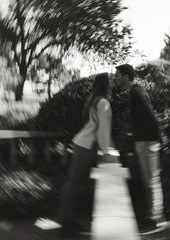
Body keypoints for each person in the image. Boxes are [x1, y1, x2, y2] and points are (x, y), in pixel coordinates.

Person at [114, 64, 168, 235]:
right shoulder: (135, 91)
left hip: (148, 142)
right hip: (144, 141)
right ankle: (153, 217)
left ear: (126, 76)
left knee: (151, 181)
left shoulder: (136, 93)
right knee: (149, 181)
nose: (115, 78)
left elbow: (150, 116)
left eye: (117, 75)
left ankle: (156, 220)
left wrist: (157, 139)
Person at [57, 73, 113, 237]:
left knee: (73, 182)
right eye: (111, 82)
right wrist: (105, 151)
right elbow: (103, 130)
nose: (113, 84)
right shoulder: (103, 102)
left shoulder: (94, 100)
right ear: (106, 85)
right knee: (73, 183)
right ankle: (65, 222)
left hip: (81, 143)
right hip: (85, 146)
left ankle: (66, 219)